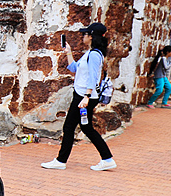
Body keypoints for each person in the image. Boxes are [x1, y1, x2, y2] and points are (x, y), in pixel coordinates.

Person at [41, 22, 116, 171]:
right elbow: (74, 68)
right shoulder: (89, 53)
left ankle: (61, 160)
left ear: (91, 36)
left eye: (85, 34)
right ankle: (107, 159)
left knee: (69, 127)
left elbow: (94, 77)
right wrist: (68, 51)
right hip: (82, 95)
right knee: (87, 128)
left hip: (84, 97)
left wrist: (86, 97)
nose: (83, 36)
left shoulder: (94, 54)